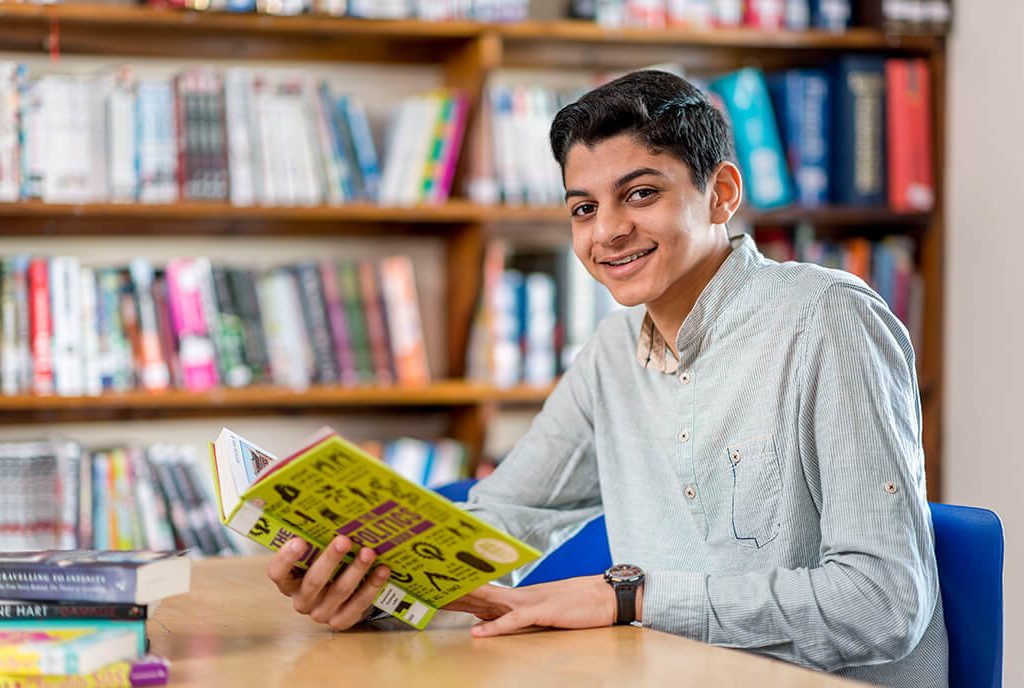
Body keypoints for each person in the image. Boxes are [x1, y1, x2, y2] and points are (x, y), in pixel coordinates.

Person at [267, 70, 948, 686]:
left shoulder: (829, 321)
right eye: (583, 208)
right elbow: (503, 518)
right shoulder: (611, 352)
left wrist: (630, 596)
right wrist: (372, 582)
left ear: (722, 195)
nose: (608, 232)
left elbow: (883, 601)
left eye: (641, 194)